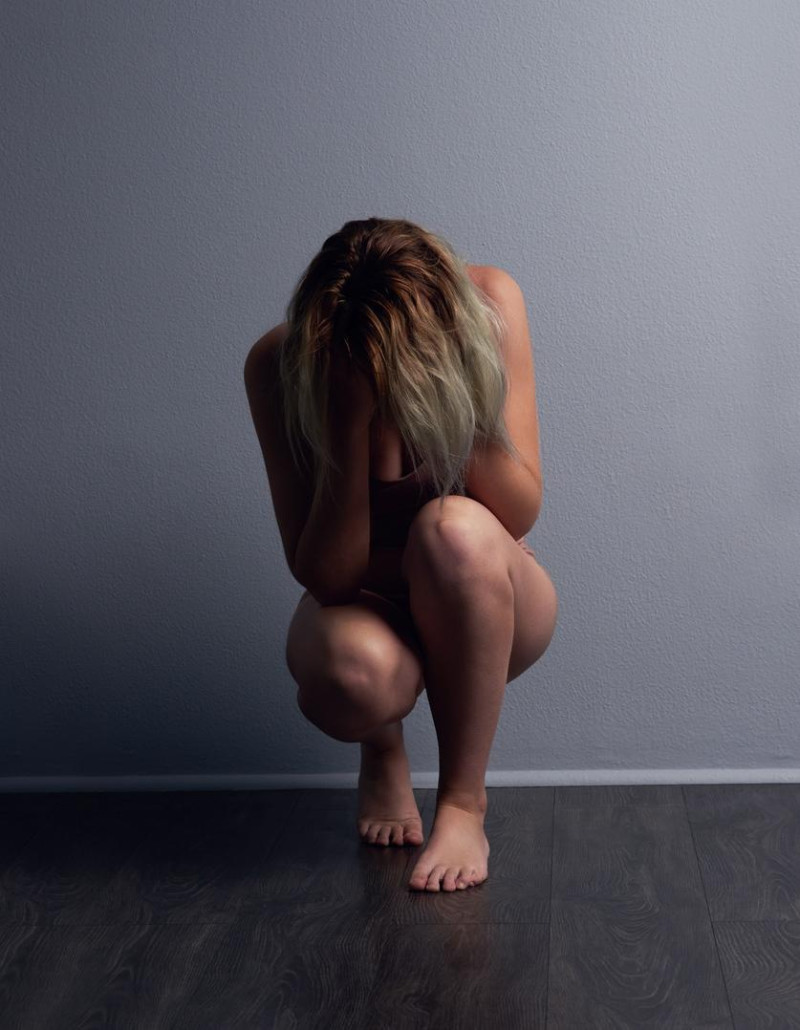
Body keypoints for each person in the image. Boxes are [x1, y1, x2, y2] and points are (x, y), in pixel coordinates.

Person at [244, 217, 558, 892]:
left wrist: (448, 388)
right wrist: (348, 422)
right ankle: (381, 746)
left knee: (453, 529)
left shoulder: (491, 303)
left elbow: (518, 509)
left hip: (484, 595)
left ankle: (463, 805)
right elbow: (327, 580)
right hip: (364, 604)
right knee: (351, 679)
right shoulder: (278, 364)